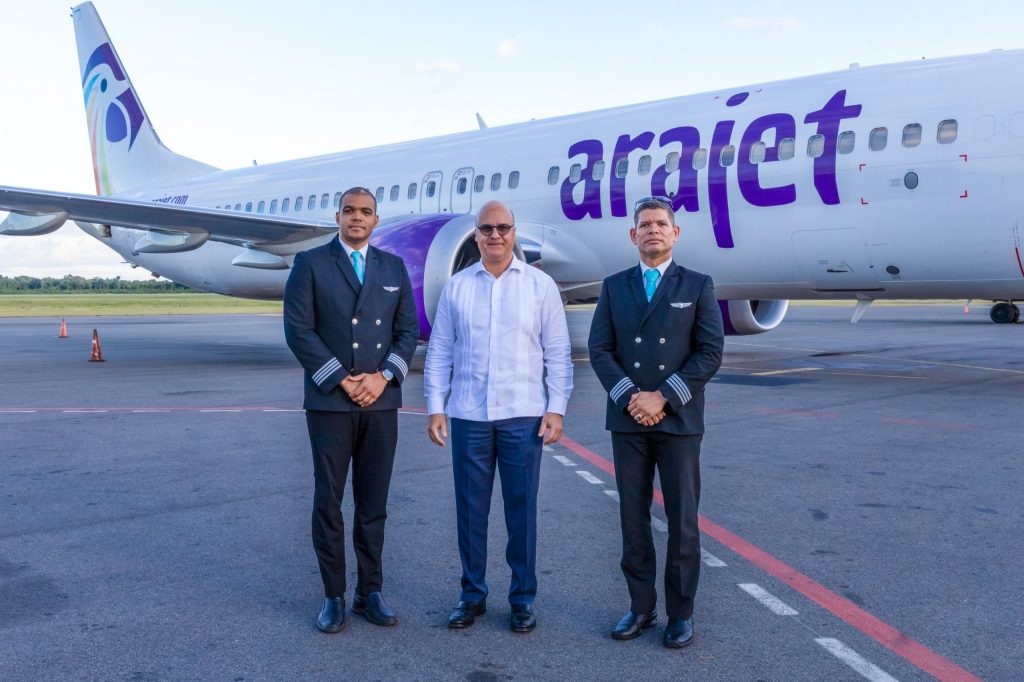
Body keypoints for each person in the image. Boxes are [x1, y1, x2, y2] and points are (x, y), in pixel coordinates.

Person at [424, 200, 573, 633]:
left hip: (523, 416)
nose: (494, 235)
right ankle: (472, 595)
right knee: (470, 512)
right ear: (476, 235)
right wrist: (436, 405)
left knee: (521, 513)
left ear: (513, 231)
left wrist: (557, 408)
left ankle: (522, 599)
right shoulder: (457, 287)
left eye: (502, 228)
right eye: (486, 229)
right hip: (468, 415)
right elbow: (439, 352)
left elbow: (558, 354)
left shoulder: (540, 286)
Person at [588, 195, 723, 649]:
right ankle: (640, 607)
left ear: (675, 233)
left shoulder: (697, 285)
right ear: (633, 235)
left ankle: (680, 613)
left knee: (683, 519)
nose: (653, 230)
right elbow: (600, 351)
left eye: (661, 224)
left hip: (678, 419)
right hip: (629, 420)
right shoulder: (614, 286)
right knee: (632, 519)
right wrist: (632, 398)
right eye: (644, 224)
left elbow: (709, 352)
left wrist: (662, 397)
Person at [283, 186, 418, 633]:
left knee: (373, 503)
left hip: (381, 402)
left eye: (365, 212)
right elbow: (299, 330)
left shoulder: (393, 266)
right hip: (330, 402)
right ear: (337, 216)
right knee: (329, 502)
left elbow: (406, 332)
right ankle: (334, 595)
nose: (356, 218)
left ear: (376, 220)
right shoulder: (311, 264)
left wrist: (382, 378)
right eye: (349, 211)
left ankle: (370, 592)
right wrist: (342, 378)